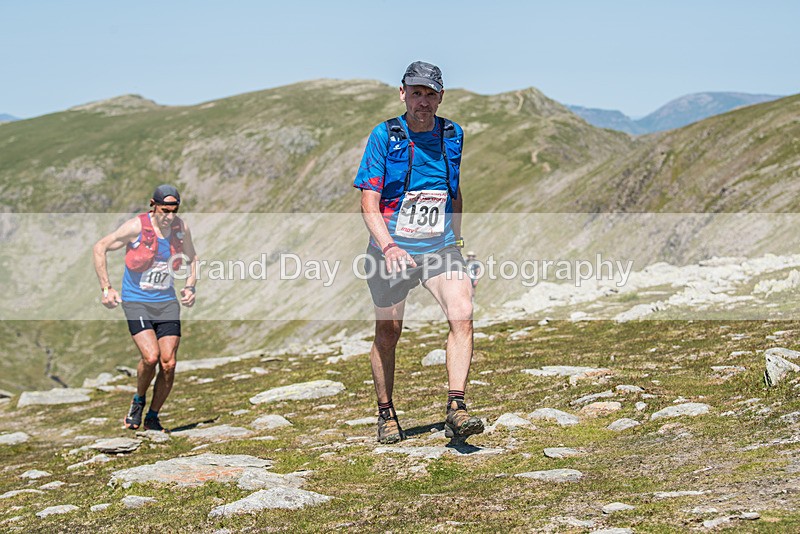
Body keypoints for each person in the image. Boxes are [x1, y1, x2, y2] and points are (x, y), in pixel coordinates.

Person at [353, 61, 484, 444]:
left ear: (440, 97)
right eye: (416, 93)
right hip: (390, 247)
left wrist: (458, 244)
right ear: (402, 94)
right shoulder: (385, 136)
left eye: (430, 94)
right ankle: (386, 412)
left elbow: (454, 192)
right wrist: (388, 245)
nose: (423, 101)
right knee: (389, 333)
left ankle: (457, 409)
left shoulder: (453, 135)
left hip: (439, 246)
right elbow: (368, 200)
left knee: (463, 312)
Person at [92, 184, 198, 432]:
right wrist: (106, 288)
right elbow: (100, 247)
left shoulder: (181, 228)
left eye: (174, 210)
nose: (169, 216)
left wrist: (190, 286)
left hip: (167, 303)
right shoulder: (136, 227)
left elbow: (193, 258)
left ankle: (153, 416)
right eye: (164, 210)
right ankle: (138, 400)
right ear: (153, 205)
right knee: (150, 358)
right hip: (136, 301)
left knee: (169, 363)